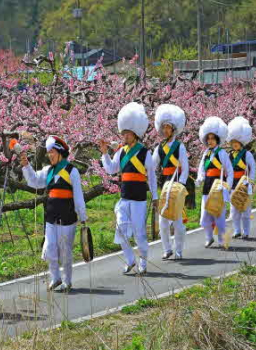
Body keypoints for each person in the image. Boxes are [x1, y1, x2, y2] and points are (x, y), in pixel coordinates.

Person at [20, 136, 87, 292]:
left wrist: (83, 217)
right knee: (50, 248)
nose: (49, 155)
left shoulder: (72, 171)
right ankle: (55, 278)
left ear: (60, 153)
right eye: (48, 152)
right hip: (50, 217)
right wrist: (26, 166)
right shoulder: (48, 170)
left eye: (52, 152)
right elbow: (34, 181)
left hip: (67, 218)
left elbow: (78, 196)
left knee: (65, 252)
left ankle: (67, 281)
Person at [99, 102, 158, 274]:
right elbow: (111, 169)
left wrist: (155, 196)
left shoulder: (144, 152)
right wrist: (104, 153)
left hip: (139, 199)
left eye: (127, 133)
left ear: (135, 134)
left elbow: (151, 176)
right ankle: (130, 260)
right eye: (123, 132)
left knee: (139, 233)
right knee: (121, 231)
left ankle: (143, 263)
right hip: (124, 197)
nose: (124, 135)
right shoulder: (121, 151)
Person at [152, 104, 189, 260]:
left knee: (178, 222)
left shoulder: (180, 146)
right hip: (165, 185)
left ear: (173, 129)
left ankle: (178, 250)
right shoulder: (159, 148)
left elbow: (185, 168)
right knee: (163, 220)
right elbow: (152, 165)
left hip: (177, 185)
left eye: (168, 127)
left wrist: (180, 185)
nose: (166, 130)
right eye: (164, 127)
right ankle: (167, 249)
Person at [196, 117, 233, 247]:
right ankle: (209, 237)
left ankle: (222, 240)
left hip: (218, 188)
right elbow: (201, 169)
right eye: (208, 138)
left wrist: (227, 186)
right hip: (207, 187)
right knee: (204, 218)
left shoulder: (222, 153)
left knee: (219, 217)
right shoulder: (206, 153)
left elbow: (229, 171)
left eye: (212, 138)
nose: (210, 141)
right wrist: (199, 179)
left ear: (217, 139)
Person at [226, 117, 256, 239]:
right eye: (233, 142)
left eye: (237, 141)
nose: (235, 144)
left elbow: (252, 169)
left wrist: (250, 182)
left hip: (244, 185)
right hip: (233, 185)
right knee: (234, 211)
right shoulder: (229, 156)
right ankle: (237, 230)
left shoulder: (247, 154)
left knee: (245, 210)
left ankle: (246, 231)